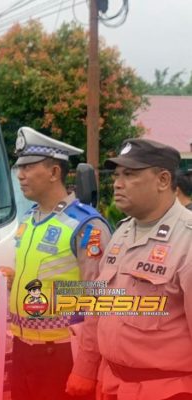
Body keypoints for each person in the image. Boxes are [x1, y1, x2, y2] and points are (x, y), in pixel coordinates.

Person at [67, 139, 192, 400]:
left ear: (163, 180)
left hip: (167, 390)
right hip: (112, 385)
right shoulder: (123, 231)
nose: (117, 183)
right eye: (117, 175)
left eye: (130, 174)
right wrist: (86, 369)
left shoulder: (187, 239)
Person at [1, 127, 112, 400]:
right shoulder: (29, 218)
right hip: (22, 350)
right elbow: (48, 278)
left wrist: (86, 369)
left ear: (54, 172)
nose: (20, 175)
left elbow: (98, 301)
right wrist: (14, 281)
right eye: (19, 167)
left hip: (61, 353)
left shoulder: (87, 225)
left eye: (28, 167)